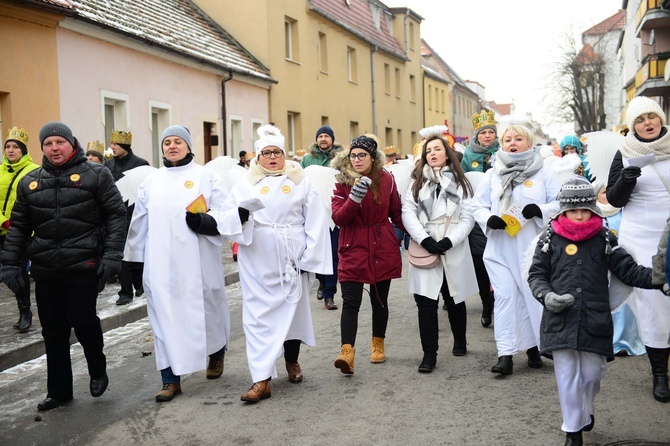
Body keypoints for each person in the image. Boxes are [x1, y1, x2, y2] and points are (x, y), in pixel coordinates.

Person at [0, 121, 126, 411]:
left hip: (84, 263)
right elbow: (19, 227)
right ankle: (59, 390)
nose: (54, 148)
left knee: (83, 320)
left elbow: (116, 216)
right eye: (48, 144)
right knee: (53, 330)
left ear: (71, 144)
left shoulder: (97, 174)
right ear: (41, 148)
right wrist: (9, 264)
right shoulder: (30, 182)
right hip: (45, 268)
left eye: (59, 142)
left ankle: (97, 367)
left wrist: (112, 256)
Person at [528, 176, 661, 446]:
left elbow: (628, 270)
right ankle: (572, 430)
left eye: (584, 209)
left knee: (592, 373)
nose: (579, 215)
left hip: (594, 318)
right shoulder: (550, 237)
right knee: (566, 375)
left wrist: (659, 279)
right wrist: (546, 295)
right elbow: (536, 275)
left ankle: (585, 408)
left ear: (593, 208)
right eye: (572, 210)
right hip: (559, 318)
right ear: (563, 210)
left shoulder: (604, 237)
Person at [220, 124, 332, 402]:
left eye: (277, 152)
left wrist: (309, 258)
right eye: (267, 153)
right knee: (257, 319)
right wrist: (241, 215)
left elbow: (316, 220)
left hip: (291, 258)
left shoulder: (299, 179)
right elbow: (226, 217)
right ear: (258, 156)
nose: (272, 157)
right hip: (257, 260)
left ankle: (292, 361)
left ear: (284, 154)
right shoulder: (245, 183)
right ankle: (261, 378)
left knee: (291, 313)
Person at [124, 125, 232, 403]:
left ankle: (216, 353)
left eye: (178, 142)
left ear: (187, 146)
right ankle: (170, 379)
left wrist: (206, 221)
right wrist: (134, 261)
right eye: (167, 142)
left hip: (199, 261)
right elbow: (139, 223)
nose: (172, 146)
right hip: (161, 264)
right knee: (164, 318)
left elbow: (224, 212)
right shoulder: (152, 181)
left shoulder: (205, 176)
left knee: (208, 311)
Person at [471, 123, 560, 375]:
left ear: (529, 143)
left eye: (518, 138)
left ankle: (535, 348)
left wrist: (540, 210)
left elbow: (559, 203)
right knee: (506, 297)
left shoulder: (543, 172)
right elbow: (477, 206)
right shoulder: (492, 174)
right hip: (500, 247)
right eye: (508, 139)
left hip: (531, 247)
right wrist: (489, 219)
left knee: (530, 295)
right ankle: (505, 354)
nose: (512, 142)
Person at [606, 96, 670, 403]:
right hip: (641, 235)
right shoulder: (624, 151)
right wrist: (628, 178)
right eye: (640, 120)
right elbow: (615, 200)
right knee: (653, 300)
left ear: (660, 119)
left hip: (669, 231)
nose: (647, 123)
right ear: (633, 126)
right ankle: (660, 374)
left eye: (651, 117)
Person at [402, 132, 477, 372]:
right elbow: (408, 213)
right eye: (428, 151)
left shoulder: (461, 182)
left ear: (447, 153)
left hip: (452, 244)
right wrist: (424, 239)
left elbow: (468, 216)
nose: (432, 154)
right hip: (425, 244)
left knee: (453, 296)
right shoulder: (416, 183)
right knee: (425, 301)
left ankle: (460, 339)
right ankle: (429, 354)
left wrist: (449, 241)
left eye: (437, 149)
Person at [331, 135, 405, 374]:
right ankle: (347, 352)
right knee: (351, 302)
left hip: (382, 245)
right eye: (353, 155)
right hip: (353, 246)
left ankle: (377, 343)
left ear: (373, 158)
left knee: (379, 300)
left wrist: (420, 237)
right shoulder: (342, 181)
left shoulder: (387, 180)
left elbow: (396, 213)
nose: (357, 159)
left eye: (362, 155)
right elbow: (339, 218)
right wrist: (354, 197)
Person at [462, 110, 499, 327]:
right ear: (477, 135)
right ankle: (486, 302)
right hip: (477, 215)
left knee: (499, 260)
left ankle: (499, 300)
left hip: (499, 214)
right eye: (483, 132)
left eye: (490, 132)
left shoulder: (503, 152)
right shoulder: (468, 154)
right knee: (480, 262)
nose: (487, 136)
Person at [0, 127, 40, 332]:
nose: (10, 150)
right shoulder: (0, 170)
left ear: (23, 150)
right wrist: (3, 221)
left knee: (18, 272)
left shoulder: (34, 171)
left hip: (23, 232)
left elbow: (36, 202)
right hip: (1, 229)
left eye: (16, 147)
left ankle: (24, 310)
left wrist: (17, 223)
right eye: (8, 146)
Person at [301, 125, 344, 309]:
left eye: (327, 136)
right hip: (313, 212)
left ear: (332, 139)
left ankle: (329, 295)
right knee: (316, 250)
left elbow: (346, 179)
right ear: (316, 139)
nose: (323, 139)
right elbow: (299, 181)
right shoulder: (307, 159)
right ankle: (322, 280)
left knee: (333, 253)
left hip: (333, 212)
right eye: (321, 136)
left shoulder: (341, 158)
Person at [105, 130, 150, 305]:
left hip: (135, 213)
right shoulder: (107, 165)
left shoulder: (140, 164)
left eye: (115, 144)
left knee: (138, 250)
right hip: (115, 215)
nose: (112, 147)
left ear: (124, 145)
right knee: (122, 253)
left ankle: (139, 282)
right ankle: (125, 292)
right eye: (112, 143)